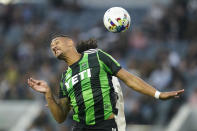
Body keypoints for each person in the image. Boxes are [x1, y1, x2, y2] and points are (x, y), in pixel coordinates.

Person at [27, 35, 184, 131]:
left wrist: (158, 94)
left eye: (56, 42)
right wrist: (48, 94)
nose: (53, 46)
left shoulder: (97, 57)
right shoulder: (64, 78)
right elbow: (60, 117)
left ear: (70, 42)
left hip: (104, 125)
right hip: (79, 127)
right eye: (51, 46)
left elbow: (128, 78)